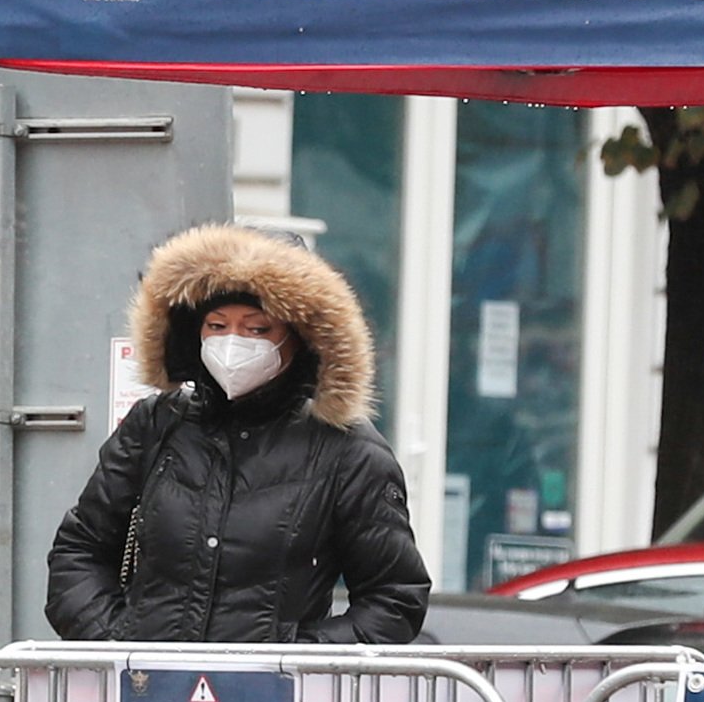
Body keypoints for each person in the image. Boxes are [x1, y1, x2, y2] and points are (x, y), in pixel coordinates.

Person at [45, 222, 430, 643]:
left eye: (257, 328)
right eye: (217, 325)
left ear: (299, 338)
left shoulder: (348, 450)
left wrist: (300, 659)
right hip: (145, 697)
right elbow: (79, 552)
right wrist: (120, 643)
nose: (233, 343)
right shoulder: (156, 425)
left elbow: (395, 598)